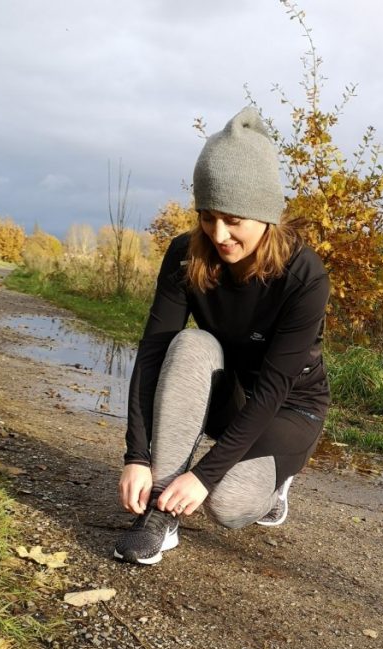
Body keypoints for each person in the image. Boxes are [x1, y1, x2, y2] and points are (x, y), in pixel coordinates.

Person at [114, 107, 330, 565]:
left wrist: (204, 476)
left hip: (289, 406)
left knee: (227, 502)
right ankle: (160, 515)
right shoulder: (185, 255)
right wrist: (136, 456)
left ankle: (274, 486)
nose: (219, 234)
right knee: (191, 343)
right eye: (208, 217)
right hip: (228, 393)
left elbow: (274, 388)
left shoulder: (304, 275)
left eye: (234, 219)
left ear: (265, 214)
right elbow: (152, 354)